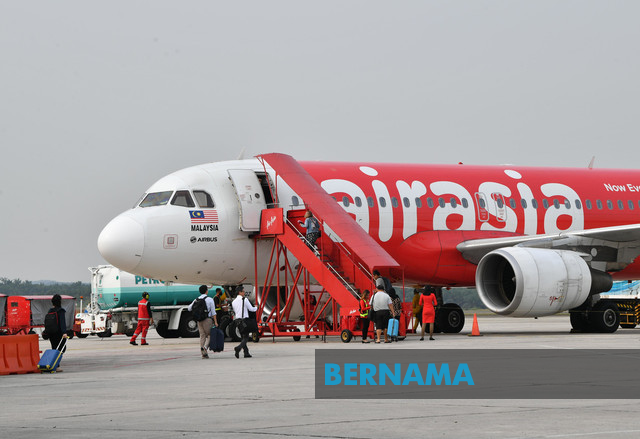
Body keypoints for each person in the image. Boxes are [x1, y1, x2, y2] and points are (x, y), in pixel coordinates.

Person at [187, 285, 218, 359]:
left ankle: (203, 352)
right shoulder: (210, 299)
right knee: (210, 335)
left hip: (199, 320)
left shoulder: (196, 299)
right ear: (206, 291)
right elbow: (213, 312)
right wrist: (216, 322)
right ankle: (205, 347)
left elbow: (189, 308)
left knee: (202, 335)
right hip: (207, 319)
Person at [232, 286, 257, 358]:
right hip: (244, 320)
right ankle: (238, 348)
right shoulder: (244, 300)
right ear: (240, 292)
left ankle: (246, 352)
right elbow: (251, 309)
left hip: (237, 321)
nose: (244, 293)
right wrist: (257, 307)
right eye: (243, 291)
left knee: (243, 337)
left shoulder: (234, 301)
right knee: (246, 337)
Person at [44, 294, 69, 363]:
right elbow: (62, 322)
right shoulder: (61, 311)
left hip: (51, 333)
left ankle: (54, 364)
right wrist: (64, 332)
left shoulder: (50, 311)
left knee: (54, 348)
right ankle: (56, 364)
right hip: (59, 333)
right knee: (61, 349)